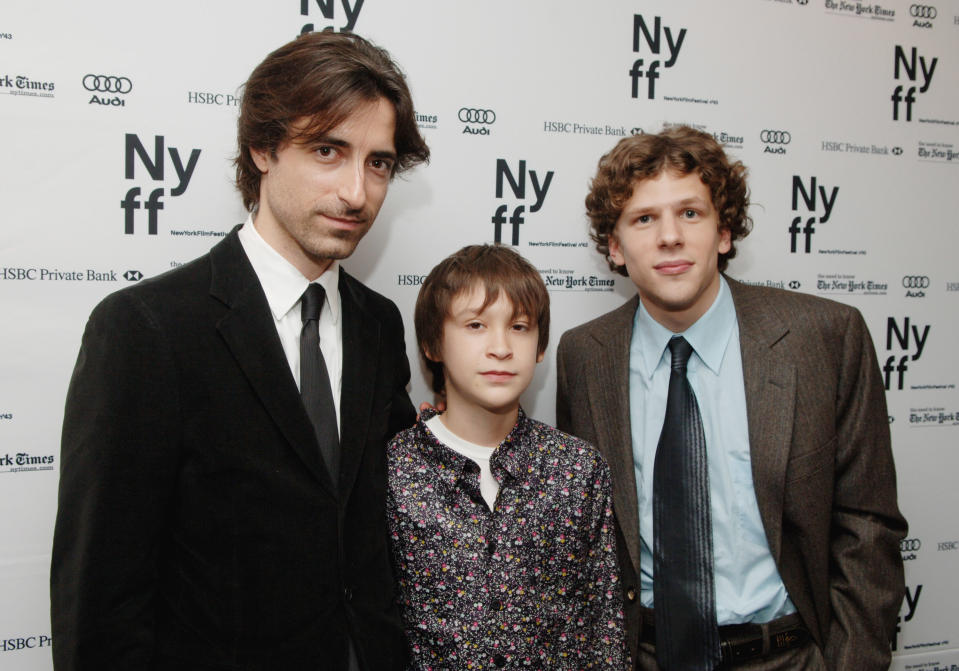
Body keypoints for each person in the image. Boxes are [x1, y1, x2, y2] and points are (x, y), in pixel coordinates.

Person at [50, 31, 429, 670]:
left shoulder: (379, 325)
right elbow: (101, 598)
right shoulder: (146, 331)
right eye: (328, 151)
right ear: (262, 148)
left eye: (379, 163)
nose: (358, 193)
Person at [556, 126, 906, 670]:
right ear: (615, 246)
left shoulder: (825, 337)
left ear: (724, 232)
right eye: (644, 218)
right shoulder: (583, 356)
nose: (669, 237)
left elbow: (868, 528)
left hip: (789, 657)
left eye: (690, 213)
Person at [388, 244, 630, 669]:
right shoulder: (395, 469)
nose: (500, 347)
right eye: (476, 324)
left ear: (540, 347)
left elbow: (604, 630)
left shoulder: (578, 470)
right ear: (432, 344)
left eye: (519, 327)